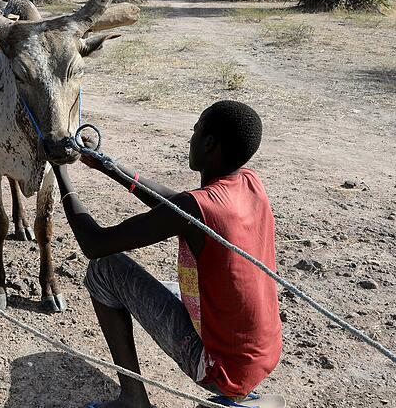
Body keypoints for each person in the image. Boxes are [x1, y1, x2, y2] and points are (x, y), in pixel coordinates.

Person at [52, 100, 283, 408]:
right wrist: (108, 165)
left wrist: (60, 171)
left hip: (219, 367)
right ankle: (242, 393)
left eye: (196, 130)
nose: (191, 137)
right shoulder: (249, 183)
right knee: (166, 286)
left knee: (103, 268)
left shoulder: (197, 208)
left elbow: (94, 244)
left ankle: (134, 399)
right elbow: (174, 205)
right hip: (262, 353)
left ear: (209, 143)